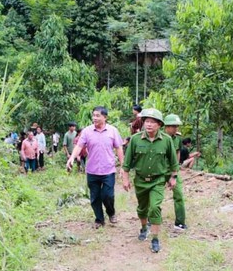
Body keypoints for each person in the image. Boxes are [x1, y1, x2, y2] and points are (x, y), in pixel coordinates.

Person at [122, 108, 178, 253]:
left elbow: (173, 162)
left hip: (158, 181)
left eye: (153, 122)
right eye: (147, 121)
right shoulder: (135, 139)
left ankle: (155, 238)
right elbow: (127, 163)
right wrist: (125, 179)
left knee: (155, 208)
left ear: (159, 124)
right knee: (142, 208)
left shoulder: (166, 140)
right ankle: (143, 227)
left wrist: (173, 177)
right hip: (140, 180)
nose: (149, 125)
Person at [66, 106, 125, 229]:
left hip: (108, 170)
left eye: (98, 115)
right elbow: (79, 146)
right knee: (95, 197)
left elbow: (119, 148)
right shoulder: (87, 131)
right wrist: (71, 158)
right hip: (92, 170)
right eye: (93, 115)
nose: (95, 118)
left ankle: (111, 213)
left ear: (105, 117)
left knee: (107, 195)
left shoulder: (113, 131)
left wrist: (123, 166)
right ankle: (99, 219)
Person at [163, 114, 188, 230]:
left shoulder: (177, 138)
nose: (176, 129)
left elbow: (177, 153)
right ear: (166, 126)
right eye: (174, 126)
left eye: (177, 126)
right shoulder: (159, 137)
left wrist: (176, 169)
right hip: (160, 171)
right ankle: (151, 220)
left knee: (178, 195)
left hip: (172, 171)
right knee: (154, 196)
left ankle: (180, 222)